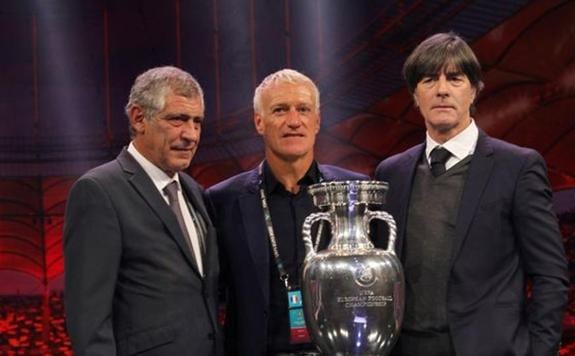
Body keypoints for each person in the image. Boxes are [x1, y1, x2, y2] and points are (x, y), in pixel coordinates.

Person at [374, 33, 569, 356]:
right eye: (428, 80)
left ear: (475, 89)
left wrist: (540, 351)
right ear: (414, 95)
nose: (442, 90)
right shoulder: (390, 173)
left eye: (454, 78)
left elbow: (550, 273)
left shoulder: (518, 167)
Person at [206, 69, 368, 355]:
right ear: (259, 122)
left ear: (316, 121)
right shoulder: (223, 200)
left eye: (303, 109)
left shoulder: (357, 192)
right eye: (280, 110)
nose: (294, 121)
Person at [64, 66, 221, 355]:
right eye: (177, 119)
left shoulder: (195, 192)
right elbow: (89, 321)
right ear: (139, 118)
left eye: (197, 122)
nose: (191, 134)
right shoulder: (99, 191)